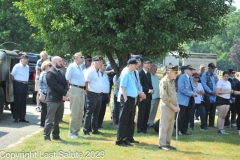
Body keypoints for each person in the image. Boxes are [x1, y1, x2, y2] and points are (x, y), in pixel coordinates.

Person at [44, 56, 69, 141]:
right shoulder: (50, 73)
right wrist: (65, 93)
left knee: (58, 119)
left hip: (60, 99)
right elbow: (55, 86)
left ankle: (56, 135)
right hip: (53, 99)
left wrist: (65, 93)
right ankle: (46, 136)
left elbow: (65, 83)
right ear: (54, 62)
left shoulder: (61, 72)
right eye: (59, 61)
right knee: (50, 119)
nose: (61, 63)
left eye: (61, 61)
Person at [116, 58, 139, 147]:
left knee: (130, 119)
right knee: (123, 120)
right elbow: (122, 87)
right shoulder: (126, 73)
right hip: (126, 98)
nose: (136, 66)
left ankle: (125, 139)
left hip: (132, 98)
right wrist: (125, 98)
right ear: (131, 65)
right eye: (135, 65)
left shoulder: (132, 73)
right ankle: (120, 140)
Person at [159, 66, 180, 151]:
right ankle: (162, 144)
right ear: (169, 72)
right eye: (175, 72)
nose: (176, 74)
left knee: (170, 126)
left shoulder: (172, 82)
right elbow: (164, 97)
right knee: (164, 125)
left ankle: (167, 143)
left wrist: (177, 106)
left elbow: (175, 95)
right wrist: (173, 106)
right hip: (167, 106)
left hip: (173, 107)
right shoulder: (164, 81)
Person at [65, 52, 85, 139]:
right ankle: (71, 132)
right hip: (75, 89)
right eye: (81, 57)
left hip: (81, 89)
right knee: (75, 111)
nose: (83, 58)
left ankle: (76, 131)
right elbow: (67, 78)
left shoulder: (79, 67)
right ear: (76, 58)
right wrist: (69, 89)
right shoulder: (72, 66)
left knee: (80, 112)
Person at [83, 56, 103, 136]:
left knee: (96, 113)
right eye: (99, 62)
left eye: (101, 62)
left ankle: (94, 129)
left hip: (98, 94)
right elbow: (86, 82)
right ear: (94, 63)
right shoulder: (90, 71)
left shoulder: (99, 71)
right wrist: (87, 92)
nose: (100, 64)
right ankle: (86, 130)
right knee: (89, 112)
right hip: (92, 93)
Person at [177, 65, 197, 135]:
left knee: (187, 115)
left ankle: (184, 130)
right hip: (182, 100)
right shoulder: (182, 77)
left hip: (189, 99)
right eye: (191, 70)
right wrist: (191, 93)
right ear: (186, 70)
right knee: (181, 116)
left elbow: (191, 87)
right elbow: (181, 89)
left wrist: (193, 93)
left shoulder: (190, 78)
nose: (192, 71)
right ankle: (178, 130)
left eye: (192, 70)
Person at [10, 53, 29, 123]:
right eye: (25, 59)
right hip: (18, 83)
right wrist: (15, 83)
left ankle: (22, 117)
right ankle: (16, 117)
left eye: (27, 59)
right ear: (21, 60)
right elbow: (11, 75)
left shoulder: (27, 67)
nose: (26, 60)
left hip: (25, 84)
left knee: (23, 101)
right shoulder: (17, 66)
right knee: (17, 101)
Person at [137, 58, 154, 134]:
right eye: (147, 63)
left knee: (147, 113)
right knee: (142, 113)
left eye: (149, 63)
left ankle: (144, 128)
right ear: (143, 64)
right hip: (143, 96)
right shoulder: (141, 73)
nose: (149, 65)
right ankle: (140, 129)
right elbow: (140, 86)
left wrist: (152, 90)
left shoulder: (149, 74)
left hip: (148, 97)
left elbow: (149, 84)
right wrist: (149, 90)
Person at [201, 63, 218, 127]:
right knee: (206, 110)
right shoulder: (205, 75)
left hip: (214, 95)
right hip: (207, 95)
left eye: (214, 68)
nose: (213, 70)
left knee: (213, 110)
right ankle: (204, 123)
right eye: (212, 68)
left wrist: (216, 91)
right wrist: (210, 91)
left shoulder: (215, 75)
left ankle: (211, 123)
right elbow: (204, 85)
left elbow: (217, 83)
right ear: (209, 68)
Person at [39, 61, 52, 127]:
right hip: (45, 93)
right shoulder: (44, 74)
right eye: (50, 65)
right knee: (44, 109)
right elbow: (47, 83)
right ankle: (43, 124)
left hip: (45, 93)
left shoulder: (45, 73)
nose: (51, 66)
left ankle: (44, 123)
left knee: (45, 109)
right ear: (46, 66)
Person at [98, 61, 110, 128]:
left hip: (105, 94)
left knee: (103, 110)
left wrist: (108, 95)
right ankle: (96, 123)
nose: (105, 67)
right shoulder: (99, 73)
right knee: (99, 110)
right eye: (103, 65)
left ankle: (100, 123)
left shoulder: (105, 74)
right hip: (100, 94)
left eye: (105, 66)